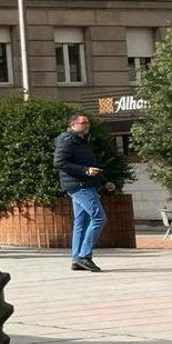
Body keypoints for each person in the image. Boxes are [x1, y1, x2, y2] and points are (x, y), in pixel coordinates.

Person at [55, 112, 107, 272]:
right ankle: (85, 256)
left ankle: (76, 259)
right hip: (79, 185)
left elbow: (90, 163)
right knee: (99, 217)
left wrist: (105, 181)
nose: (87, 126)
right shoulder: (67, 140)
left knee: (81, 222)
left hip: (85, 184)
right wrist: (84, 171)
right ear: (73, 125)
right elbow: (59, 162)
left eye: (88, 123)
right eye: (83, 123)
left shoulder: (81, 141)